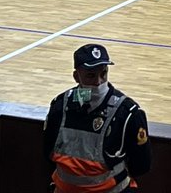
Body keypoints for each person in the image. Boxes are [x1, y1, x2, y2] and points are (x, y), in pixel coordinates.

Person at [44, 43, 150, 193]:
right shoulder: (59, 107)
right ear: (76, 76)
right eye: (91, 75)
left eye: (103, 73)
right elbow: (48, 152)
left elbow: (141, 165)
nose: (99, 82)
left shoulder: (127, 113)